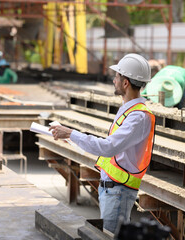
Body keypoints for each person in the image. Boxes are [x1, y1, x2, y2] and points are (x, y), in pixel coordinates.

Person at [49, 53, 155, 234]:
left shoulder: (138, 117)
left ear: (126, 83)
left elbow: (108, 147)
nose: (114, 80)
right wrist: (70, 137)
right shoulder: (129, 111)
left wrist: (71, 133)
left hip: (119, 192)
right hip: (113, 190)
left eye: (117, 77)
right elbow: (112, 150)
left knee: (110, 237)